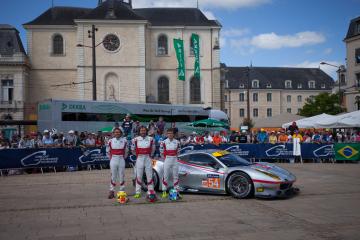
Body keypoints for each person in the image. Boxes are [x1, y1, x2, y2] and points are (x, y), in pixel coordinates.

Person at [132, 126, 156, 198]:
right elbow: (132, 150)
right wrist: (139, 155)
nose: (143, 132)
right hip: (139, 158)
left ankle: (151, 191)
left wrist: (149, 155)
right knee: (139, 176)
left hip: (148, 158)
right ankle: (137, 192)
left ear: (146, 131)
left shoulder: (151, 139)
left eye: (144, 130)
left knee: (149, 175)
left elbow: (153, 149)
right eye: (141, 130)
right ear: (139, 131)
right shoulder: (135, 140)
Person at [107, 127, 129, 199]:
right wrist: (111, 159)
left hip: (121, 159)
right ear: (113, 133)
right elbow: (108, 151)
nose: (117, 133)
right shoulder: (110, 141)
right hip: (113, 159)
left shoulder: (125, 141)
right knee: (113, 176)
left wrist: (122, 158)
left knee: (121, 175)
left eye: (118, 132)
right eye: (115, 132)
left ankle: (121, 191)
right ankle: (111, 191)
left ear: (121, 133)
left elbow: (126, 151)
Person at [160, 128, 181, 198]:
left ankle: (177, 191)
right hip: (167, 159)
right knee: (165, 176)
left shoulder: (177, 142)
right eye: (168, 133)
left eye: (171, 133)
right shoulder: (163, 142)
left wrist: (175, 157)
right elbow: (161, 153)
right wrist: (166, 158)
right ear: (167, 134)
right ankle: (164, 191)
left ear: (173, 134)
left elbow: (178, 152)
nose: (170, 134)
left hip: (175, 159)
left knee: (175, 176)